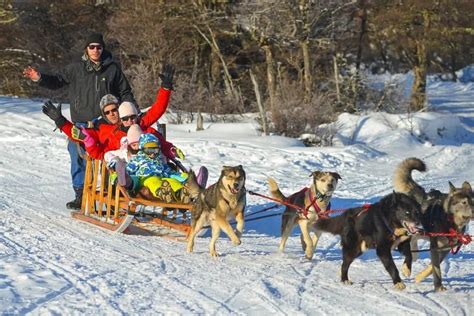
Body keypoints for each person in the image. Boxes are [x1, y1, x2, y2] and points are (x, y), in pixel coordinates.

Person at [23, 32, 135, 210]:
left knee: (111, 156)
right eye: (92, 47)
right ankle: (80, 193)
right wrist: (39, 78)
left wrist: (131, 111)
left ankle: (112, 194)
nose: (95, 50)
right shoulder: (75, 68)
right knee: (77, 154)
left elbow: (125, 92)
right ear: (86, 49)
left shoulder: (112, 69)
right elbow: (58, 81)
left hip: (106, 123)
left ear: (103, 49)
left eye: (99, 47)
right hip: (82, 122)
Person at [126, 133, 191, 203]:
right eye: (149, 151)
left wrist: (181, 176)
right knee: (153, 181)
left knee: (171, 181)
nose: (152, 153)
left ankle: (181, 193)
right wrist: (120, 175)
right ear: (142, 149)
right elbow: (128, 170)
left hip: (161, 178)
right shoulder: (138, 159)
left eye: (155, 150)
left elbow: (169, 171)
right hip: (145, 179)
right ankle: (162, 193)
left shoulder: (159, 161)